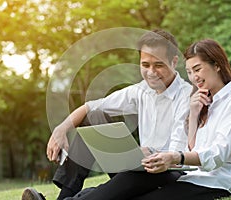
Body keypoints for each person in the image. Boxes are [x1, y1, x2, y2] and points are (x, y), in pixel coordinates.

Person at [58, 39, 231, 200]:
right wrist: (195, 115)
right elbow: (193, 149)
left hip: (219, 180)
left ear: (217, 65)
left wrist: (171, 157)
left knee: (134, 185)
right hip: (188, 174)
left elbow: (216, 155)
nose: (194, 77)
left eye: (197, 69)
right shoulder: (204, 101)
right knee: (131, 179)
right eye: (190, 72)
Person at [22, 29, 192, 200]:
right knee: (94, 117)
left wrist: (153, 154)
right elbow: (90, 107)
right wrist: (61, 129)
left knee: (131, 178)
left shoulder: (187, 96)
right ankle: (66, 195)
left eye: (159, 65)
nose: (151, 72)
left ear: (174, 61)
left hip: (171, 172)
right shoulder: (141, 90)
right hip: (142, 165)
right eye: (145, 65)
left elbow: (178, 154)